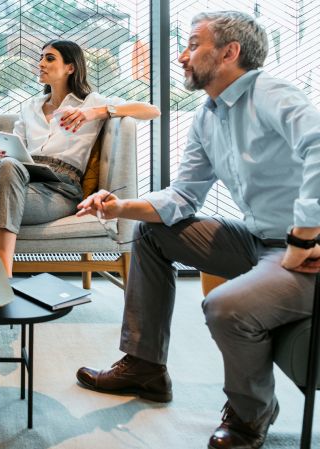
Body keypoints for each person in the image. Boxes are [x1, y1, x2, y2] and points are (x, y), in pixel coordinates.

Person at [74, 11, 319, 449]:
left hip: (302, 249)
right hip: (256, 238)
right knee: (151, 232)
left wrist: (306, 232)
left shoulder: (270, 91)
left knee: (225, 306)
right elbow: (185, 195)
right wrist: (119, 207)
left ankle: (250, 414)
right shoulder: (208, 114)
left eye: (191, 45)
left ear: (230, 52)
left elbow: (318, 144)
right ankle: (145, 365)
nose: (182, 57)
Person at [0, 40, 160, 280]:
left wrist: (95, 113)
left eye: (49, 58)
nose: (40, 64)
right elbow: (17, 147)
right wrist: (9, 155)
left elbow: (151, 110)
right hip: (24, 180)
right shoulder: (31, 107)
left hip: (61, 188)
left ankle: (1, 276)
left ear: (70, 67)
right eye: (41, 58)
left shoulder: (91, 103)